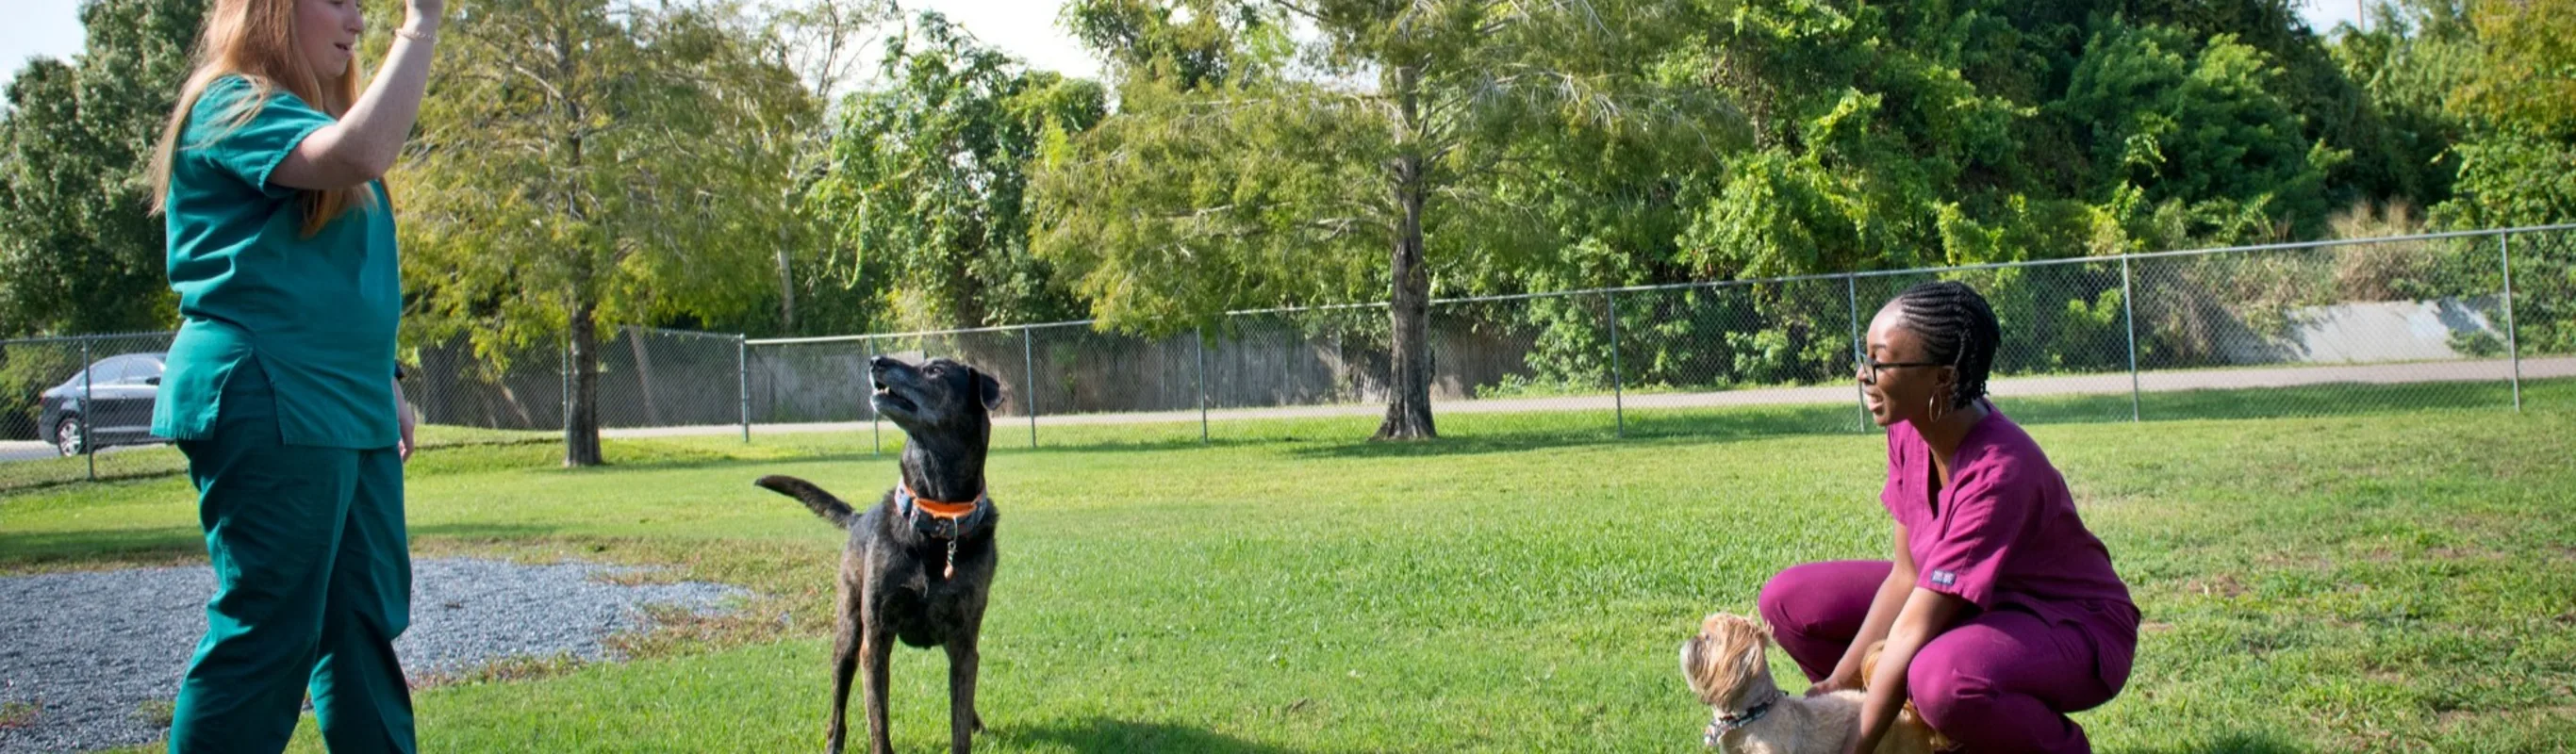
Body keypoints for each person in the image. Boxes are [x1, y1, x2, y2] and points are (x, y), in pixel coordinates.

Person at [143, 0, 442, 747]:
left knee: (362, 631)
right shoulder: (232, 101)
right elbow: (358, 154)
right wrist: (424, 20)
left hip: (350, 401)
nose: (356, 20)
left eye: (363, 5)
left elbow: (337, 273)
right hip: (269, 393)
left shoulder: (310, 119)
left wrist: (388, 379)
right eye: (337, 0)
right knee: (270, 638)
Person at [1756, 281, 2139, 754]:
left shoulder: (2000, 470)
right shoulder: (1908, 427)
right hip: (1969, 604)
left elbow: (1913, 628)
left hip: (2068, 624)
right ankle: (1908, 735)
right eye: (1864, 356)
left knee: (1942, 681)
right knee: (1792, 602)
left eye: (1880, 361)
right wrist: (1840, 683)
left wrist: (1852, 749)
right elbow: (1906, 576)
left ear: (1942, 377)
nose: (1862, 373)